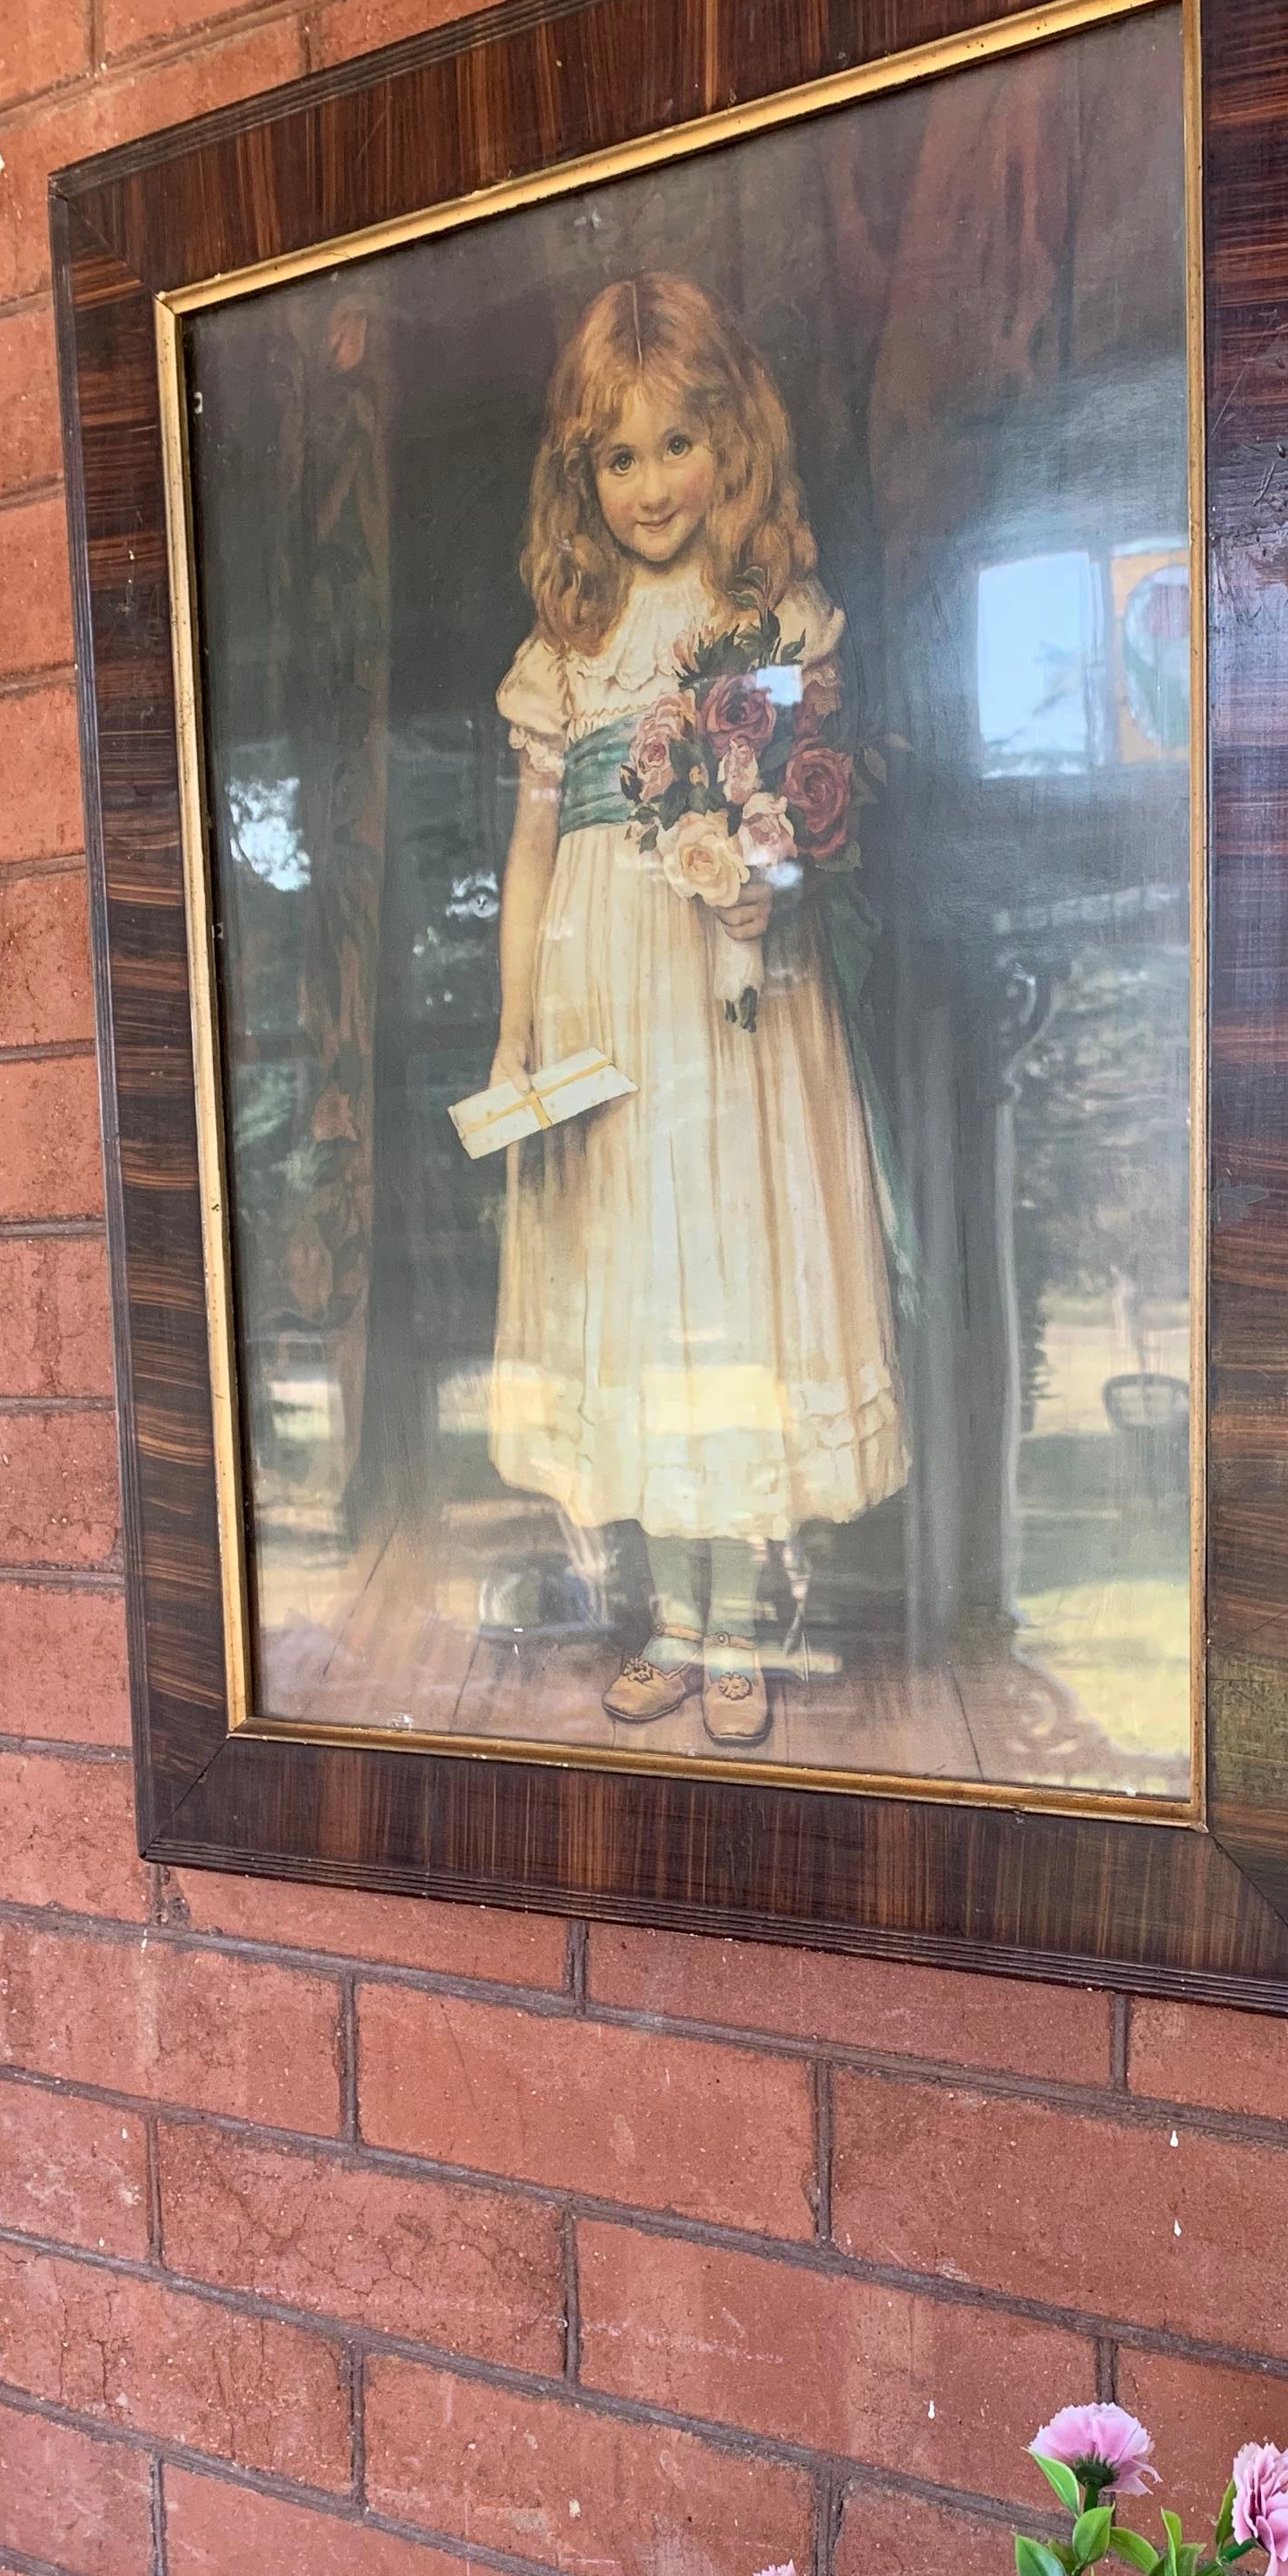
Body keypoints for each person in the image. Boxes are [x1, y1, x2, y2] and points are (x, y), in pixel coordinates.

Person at [487, 273, 907, 1752]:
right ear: (580, 475)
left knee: (728, 1266)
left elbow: (804, 815)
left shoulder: (765, 618)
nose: (653, 485)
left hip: (733, 992)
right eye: (619, 456)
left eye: (679, 444)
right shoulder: (570, 648)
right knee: (638, 1278)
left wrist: (762, 886)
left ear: (732, 440)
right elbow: (533, 853)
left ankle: (742, 1620)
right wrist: (515, 1028)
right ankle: (670, 1615)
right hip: (608, 1000)